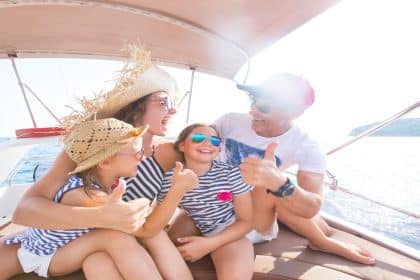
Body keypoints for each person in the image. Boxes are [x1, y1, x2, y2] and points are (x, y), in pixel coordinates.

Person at [0, 44, 191, 279]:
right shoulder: (94, 149)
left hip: (121, 240)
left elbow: (208, 164)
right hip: (94, 238)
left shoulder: (168, 152)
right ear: (136, 107)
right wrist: (100, 216)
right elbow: (24, 211)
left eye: (173, 104)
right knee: (115, 248)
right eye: (164, 103)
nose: (173, 111)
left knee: (141, 240)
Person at [169, 73, 375, 265]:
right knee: (176, 240)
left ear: (294, 112)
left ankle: (321, 241)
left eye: (264, 107)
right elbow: (197, 148)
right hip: (214, 205)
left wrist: (280, 183)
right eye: (253, 102)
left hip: (253, 215)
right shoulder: (229, 121)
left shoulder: (307, 147)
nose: (252, 111)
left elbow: (311, 206)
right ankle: (312, 224)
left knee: (270, 187)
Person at [1, 119, 160, 278]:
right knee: (114, 237)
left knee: (99, 259)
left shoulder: (98, 177)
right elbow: (144, 229)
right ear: (104, 162)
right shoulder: (83, 192)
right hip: (44, 255)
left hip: (37, 245)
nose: (143, 157)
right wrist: (170, 193)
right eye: (138, 153)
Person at [159, 123, 254, 279]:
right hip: (200, 226)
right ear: (182, 145)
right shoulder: (171, 178)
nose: (209, 143)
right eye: (198, 138)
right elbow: (161, 214)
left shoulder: (230, 173)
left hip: (232, 231)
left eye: (215, 141)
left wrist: (209, 244)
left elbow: (246, 222)